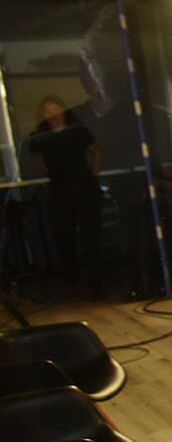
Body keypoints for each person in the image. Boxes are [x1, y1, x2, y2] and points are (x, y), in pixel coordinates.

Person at [28, 95, 104, 297]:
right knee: (64, 236)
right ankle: (72, 281)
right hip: (60, 189)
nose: (53, 114)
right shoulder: (41, 137)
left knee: (91, 235)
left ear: (64, 110)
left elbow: (96, 151)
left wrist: (94, 174)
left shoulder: (78, 131)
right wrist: (51, 174)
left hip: (84, 186)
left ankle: (96, 283)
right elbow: (39, 159)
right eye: (48, 111)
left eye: (56, 109)